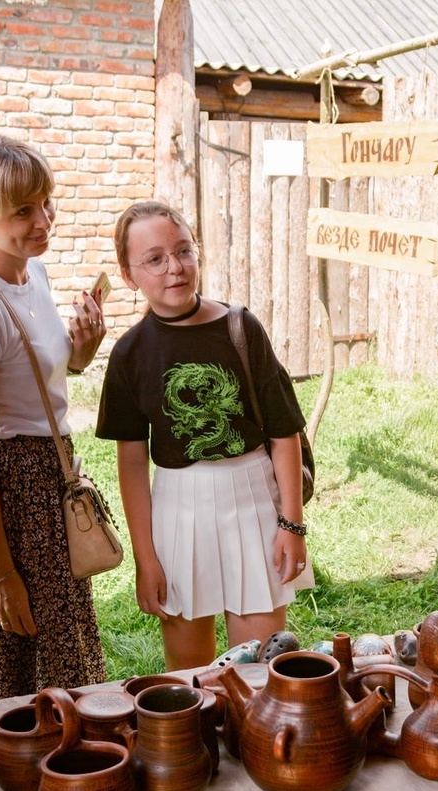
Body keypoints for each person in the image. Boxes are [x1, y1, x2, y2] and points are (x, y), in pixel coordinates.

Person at [96, 200, 314, 671]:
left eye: (183, 251)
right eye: (154, 259)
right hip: (177, 509)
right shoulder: (129, 355)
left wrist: (292, 526)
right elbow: (132, 463)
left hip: (254, 498)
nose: (174, 268)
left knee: (260, 669)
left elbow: (283, 433)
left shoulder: (240, 328)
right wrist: (145, 557)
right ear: (129, 275)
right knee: (191, 677)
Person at [0, 135, 108, 701]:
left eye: (46, 202)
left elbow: (51, 381)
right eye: (23, 210)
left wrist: (83, 347)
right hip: (9, 496)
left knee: (64, 652)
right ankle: (26, 777)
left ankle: (78, 767)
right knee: (20, 656)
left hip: (50, 480)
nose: (44, 220)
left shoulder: (32, 274)